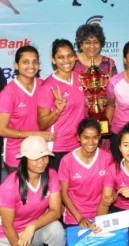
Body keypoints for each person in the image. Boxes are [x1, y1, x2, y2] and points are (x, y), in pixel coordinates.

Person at [0, 136, 65, 246]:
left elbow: (56, 211)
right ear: (24, 159)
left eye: (45, 157)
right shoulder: (9, 186)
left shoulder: (51, 175)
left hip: (33, 228)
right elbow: (7, 227)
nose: (42, 162)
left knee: (57, 230)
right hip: (9, 234)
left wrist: (32, 226)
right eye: (36, 158)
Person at [0, 46, 55, 173]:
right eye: (25, 61)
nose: (31, 65)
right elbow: (1, 130)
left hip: (41, 153)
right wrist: (35, 134)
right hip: (17, 156)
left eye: (35, 61)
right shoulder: (8, 93)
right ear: (16, 65)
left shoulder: (44, 86)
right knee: (18, 192)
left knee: (41, 192)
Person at [37, 39, 87, 170]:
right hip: (58, 148)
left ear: (75, 56)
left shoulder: (80, 78)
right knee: (57, 189)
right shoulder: (47, 87)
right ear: (53, 60)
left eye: (70, 55)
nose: (66, 61)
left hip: (79, 144)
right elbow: (42, 124)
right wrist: (57, 110)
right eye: (61, 57)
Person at [59, 118, 112, 227]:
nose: (91, 142)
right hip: (75, 216)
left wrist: (112, 198)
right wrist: (79, 218)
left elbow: (112, 187)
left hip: (100, 213)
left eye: (95, 138)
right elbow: (63, 193)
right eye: (86, 138)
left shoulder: (107, 157)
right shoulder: (67, 160)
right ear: (78, 137)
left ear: (100, 137)